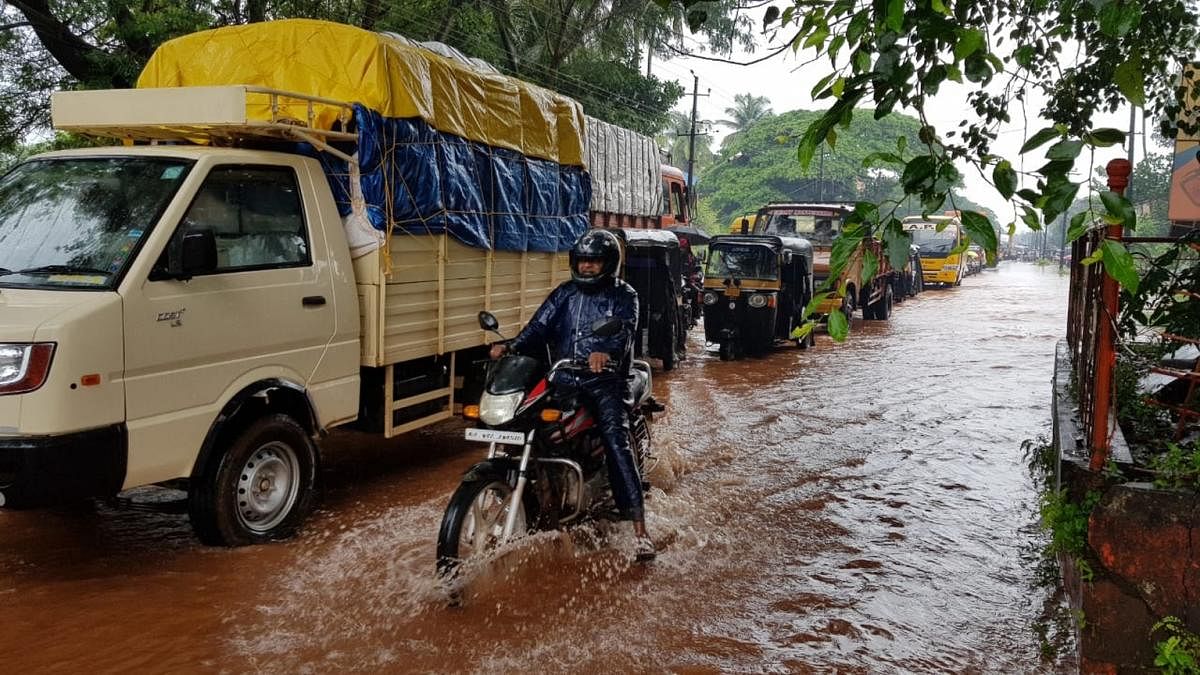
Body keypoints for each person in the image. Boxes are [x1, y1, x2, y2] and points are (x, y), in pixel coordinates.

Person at [489, 228, 655, 562]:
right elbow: (537, 329)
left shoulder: (625, 295)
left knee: (615, 440)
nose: (587, 267)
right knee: (527, 424)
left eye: (594, 262)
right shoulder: (564, 294)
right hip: (563, 378)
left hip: (606, 382)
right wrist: (511, 346)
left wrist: (604, 352)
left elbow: (623, 330)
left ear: (608, 264)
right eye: (582, 261)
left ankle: (640, 530)